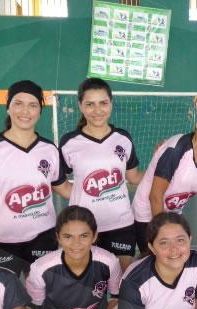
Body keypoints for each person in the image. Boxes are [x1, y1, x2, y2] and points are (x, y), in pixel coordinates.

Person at [0, 79, 72, 277]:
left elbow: (63, 187)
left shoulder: (49, 149)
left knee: (42, 298)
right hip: (1, 240)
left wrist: (96, 196)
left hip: (43, 236)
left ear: (40, 112)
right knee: (4, 299)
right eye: (18, 103)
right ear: (8, 108)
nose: (25, 111)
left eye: (32, 105)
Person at [59, 77, 143, 271]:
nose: (97, 110)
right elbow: (59, 184)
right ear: (80, 105)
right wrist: (82, 195)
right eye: (90, 104)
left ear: (111, 103)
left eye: (103, 103)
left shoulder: (123, 138)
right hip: (83, 226)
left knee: (121, 286)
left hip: (121, 224)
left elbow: (133, 177)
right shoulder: (69, 142)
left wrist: (159, 163)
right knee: (89, 287)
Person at [132, 104, 197, 254]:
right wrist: (163, 233)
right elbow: (155, 197)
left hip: (173, 215)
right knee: (154, 261)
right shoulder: (176, 149)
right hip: (148, 216)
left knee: (175, 261)